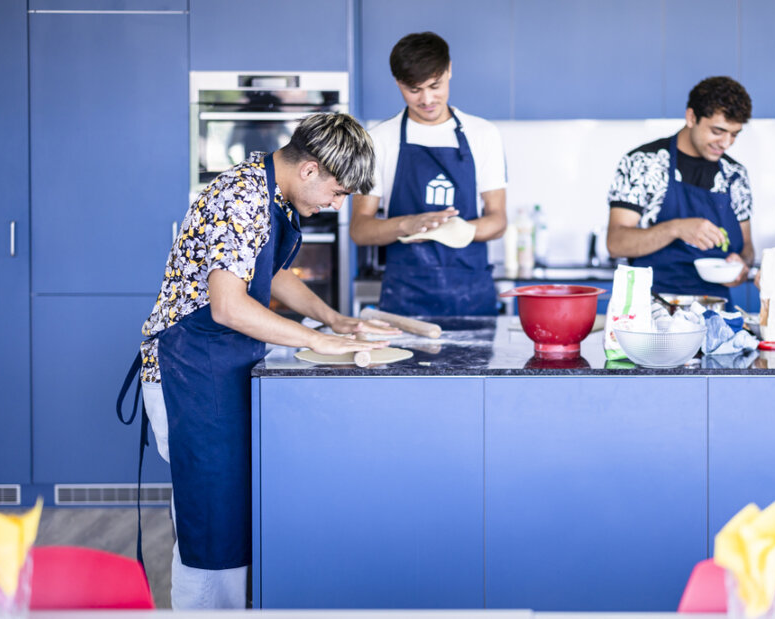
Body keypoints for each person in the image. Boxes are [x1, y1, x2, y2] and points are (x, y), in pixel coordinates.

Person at [125, 113, 397, 609]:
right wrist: (316, 342)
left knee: (233, 515)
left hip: (220, 366)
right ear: (310, 169)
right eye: (337, 193)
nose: (338, 205)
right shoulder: (243, 195)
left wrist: (332, 320)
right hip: (190, 369)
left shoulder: (272, 189)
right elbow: (228, 305)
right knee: (212, 523)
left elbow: (272, 274)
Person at [351, 31, 507, 316]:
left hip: (471, 296)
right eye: (414, 89)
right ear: (398, 83)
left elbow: (498, 221)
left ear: (449, 70)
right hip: (405, 300)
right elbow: (360, 230)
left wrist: (453, 230)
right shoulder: (378, 140)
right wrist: (407, 224)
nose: (427, 99)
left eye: (435, 85)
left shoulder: (483, 134)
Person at [607, 76, 755, 298]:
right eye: (717, 131)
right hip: (652, 307)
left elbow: (747, 248)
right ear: (691, 117)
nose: (726, 143)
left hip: (715, 309)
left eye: (734, 134)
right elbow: (616, 243)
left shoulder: (735, 175)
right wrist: (676, 228)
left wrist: (741, 265)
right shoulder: (642, 163)